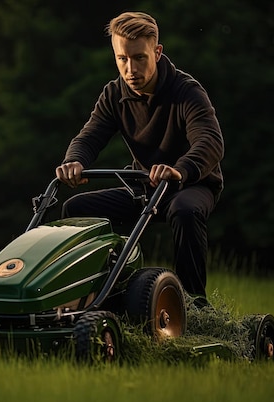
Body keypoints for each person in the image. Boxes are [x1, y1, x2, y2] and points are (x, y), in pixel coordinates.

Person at [55, 11, 224, 307]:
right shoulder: (114, 94)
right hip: (145, 187)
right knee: (76, 208)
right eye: (122, 59)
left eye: (139, 58)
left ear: (157, 52)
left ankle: (194, 304)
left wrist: (179, 169)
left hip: (192, 184)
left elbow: (210, 142)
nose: (130, 68)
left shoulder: (186, 91)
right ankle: (90, 296)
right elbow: (89, 137)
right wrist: (75, 161)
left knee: (184, 211)